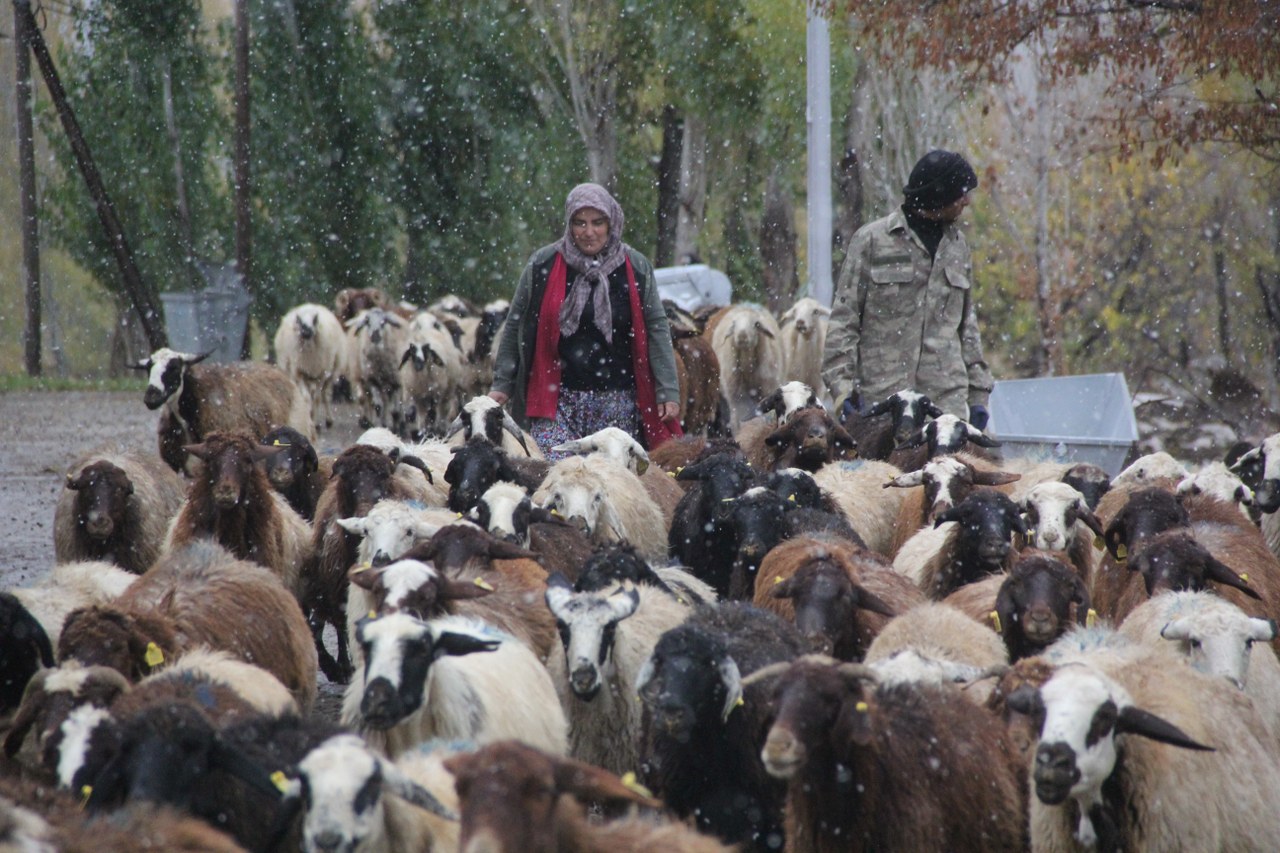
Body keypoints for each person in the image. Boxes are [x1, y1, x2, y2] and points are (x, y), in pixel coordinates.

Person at [489, 182, 682, 458]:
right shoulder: (543, 264)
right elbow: (515, 325)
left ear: (611, 222)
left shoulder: (636, 267)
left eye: (597, 223)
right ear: (569, 224)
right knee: (557, 479)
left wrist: (667, 390)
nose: (588, 232)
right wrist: (502, 384)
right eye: (579, 223)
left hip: (618, 402)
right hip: (556, 401)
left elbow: (656, 328)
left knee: (610, 485)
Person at [822, 149, 994, 429]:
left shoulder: (958, 246)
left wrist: (978, 395)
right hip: (884, 404)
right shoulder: (871, 241)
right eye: (961, 193)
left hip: (946, 407)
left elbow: (967, 326)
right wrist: (842, 391)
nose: (966, 201)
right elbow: (844, 321)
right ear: (939, 197)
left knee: (951, 474)